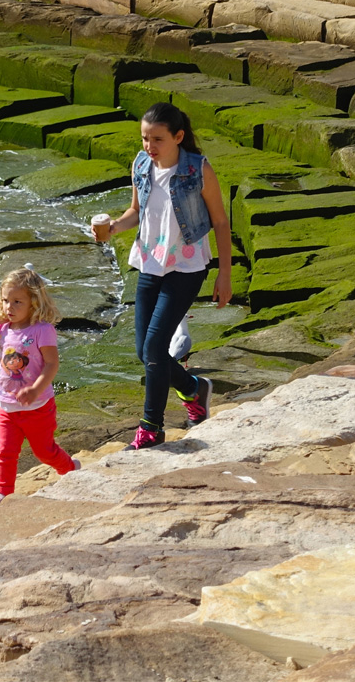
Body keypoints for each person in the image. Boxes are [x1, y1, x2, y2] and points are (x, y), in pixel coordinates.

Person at [92, 104, 233, 450]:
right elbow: (135, 213)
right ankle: (193, 388)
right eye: (144, 138)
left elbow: (221, 222)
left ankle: (151, 429)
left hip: (186, 267)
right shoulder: (141, 165)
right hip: (149, 264)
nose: (149, 146)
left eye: (157, 139)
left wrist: (225, 274)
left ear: (178, 137)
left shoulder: (198, 169)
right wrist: (112, 229)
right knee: (145, 351)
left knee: (156, 346)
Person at [0, 266, 80, 512]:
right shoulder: (3, 329)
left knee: (45, 452)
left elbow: (52, 363)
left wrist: (36, 390)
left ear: (34, 303)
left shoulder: (42, 330)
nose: (10, 307)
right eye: (6, 301)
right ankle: (3, 494)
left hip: (37, 406)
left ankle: (69, 468)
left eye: (18, 301)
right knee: (5, 453)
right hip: (7, 406)